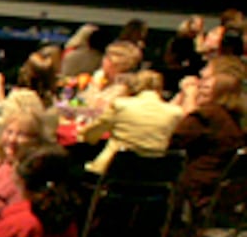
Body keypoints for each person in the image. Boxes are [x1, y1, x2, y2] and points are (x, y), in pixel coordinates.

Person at [172, 56, 247, 218]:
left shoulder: (208, 115)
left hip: (195, 184)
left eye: (206, 83)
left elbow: (176, 136)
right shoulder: (233, 116)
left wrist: (190, 95)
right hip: (219, 184)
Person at [83, 70, 183, 175]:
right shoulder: (176, 112)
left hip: (114, 171)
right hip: (154, 174)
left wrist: (84, 135)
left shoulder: (120, 105)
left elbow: (91, 135)